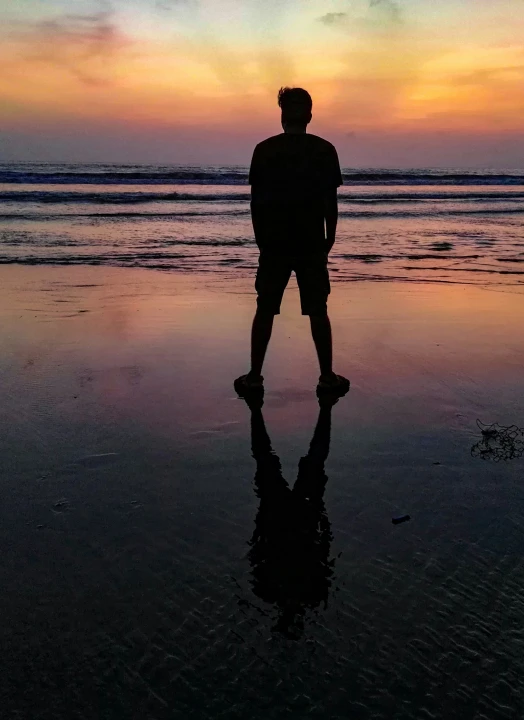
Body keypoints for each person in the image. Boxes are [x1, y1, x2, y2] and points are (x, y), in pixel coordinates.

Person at [234, 87, 350, 398]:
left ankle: (255, 377)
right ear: (309, 115)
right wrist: (330, 236)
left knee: (265, 307)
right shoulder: (325, 150)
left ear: (282, 115)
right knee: (317, 308)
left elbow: (256, 203)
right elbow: (330, 201)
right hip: (311, 240)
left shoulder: (265, 149)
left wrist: (261, 241)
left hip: (274, 242)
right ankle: (327, 377)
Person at [245, 391, 339, 638]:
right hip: (299, 518)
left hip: (282, 517)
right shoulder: (311, 592)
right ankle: (325, 410)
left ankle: (256, 410)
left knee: (269, 460)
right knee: (279, 461)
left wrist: (261, 519)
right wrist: (322, 516)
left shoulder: (269, 589)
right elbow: (324, 551)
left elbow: (257, 549)